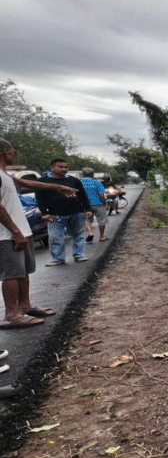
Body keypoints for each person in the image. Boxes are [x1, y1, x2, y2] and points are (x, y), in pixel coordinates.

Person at [0, 139, 75, 328]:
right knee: (12, 274)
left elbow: (26, 182)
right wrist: (15, 232)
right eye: (12, 150)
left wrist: (58, 186)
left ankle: (25, 307)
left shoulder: (4, 174)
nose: (14, 153)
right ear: (3, 152)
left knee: (23, 271)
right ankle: (11, 315)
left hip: (20, 231)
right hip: (7, 234)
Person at [35, 158, 92, 266]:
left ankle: (79, 255)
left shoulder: (74, 180)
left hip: (77, 212)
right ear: (52, 168)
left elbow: (83, 196)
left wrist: (88, 209)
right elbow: (39, 198)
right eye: (60, 167)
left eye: (65, 167)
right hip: (55, 214)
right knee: (55, 237)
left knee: (79, 235)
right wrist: (44, 213)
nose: (63, 169)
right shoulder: (42, 181)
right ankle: (57, 259)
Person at [79, 167, 109, 242]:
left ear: (82, 175)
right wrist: (105, 203)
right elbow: (102, 195)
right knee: (101, 220)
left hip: (85, 206)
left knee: (88, 220)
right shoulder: (97, 183)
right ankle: (101, 237)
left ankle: (90, 233)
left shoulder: (79, 183)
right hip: (98, 204)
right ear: (92, 175)